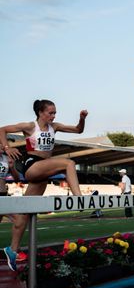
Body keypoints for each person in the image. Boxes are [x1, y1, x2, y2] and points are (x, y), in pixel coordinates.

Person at [0, 99, 89, 271]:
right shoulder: (29, 126)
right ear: (40, 112)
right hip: (32, 164)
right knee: (69, 164)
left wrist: (82, 118)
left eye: (55, 112)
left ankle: (12, 249)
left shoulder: (54, 127)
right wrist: (7, 147)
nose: (53, 116)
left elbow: (78, 130)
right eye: (50, 112)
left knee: (24, 213)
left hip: (43, 170)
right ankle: (79, 199)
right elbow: (2, 129)